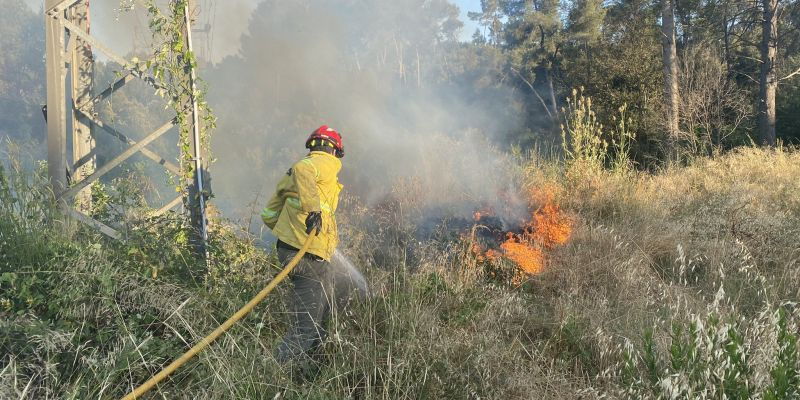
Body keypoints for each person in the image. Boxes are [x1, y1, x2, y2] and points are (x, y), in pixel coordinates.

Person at [261, 125, 345, 366]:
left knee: (319, 313)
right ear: (334, 150)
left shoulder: (291, 176)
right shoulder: (323, 162)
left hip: (289, 250)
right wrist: (313, 210)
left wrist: (290, 235)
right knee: (306, 327)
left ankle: (308, 370)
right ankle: (276, 374)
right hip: (308, 254)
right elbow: (304, 168)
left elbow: (268, 214)